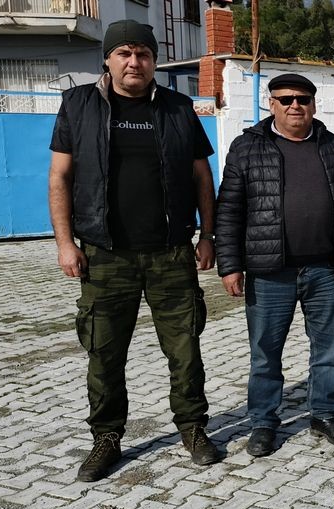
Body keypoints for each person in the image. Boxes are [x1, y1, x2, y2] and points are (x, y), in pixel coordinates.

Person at [47, 19, 219, 482]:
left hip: (170, 254)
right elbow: (59, 178)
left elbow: (203, 177)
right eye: (124, 53)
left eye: (142, 53)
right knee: (104, 352)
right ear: (107, 58)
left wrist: (207, 235)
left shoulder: (178, 108)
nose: (134, 62)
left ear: (154, 61)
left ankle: (192, 428)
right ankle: (107, 437)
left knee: (185, 349)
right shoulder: (78, 105)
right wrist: (65, 243)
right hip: (104, 255)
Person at [215, 73, 334, 457]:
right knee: (265, 352)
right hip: (270, 272)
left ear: (314, 104)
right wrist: (230, 264)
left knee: (328, 350)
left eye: (302, 98)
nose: (294, 105)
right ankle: (264, 422)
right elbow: (229, 209)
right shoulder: (248, 147)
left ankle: (325, 414)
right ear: (272, 104)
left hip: (325, 270)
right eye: (285, 99)